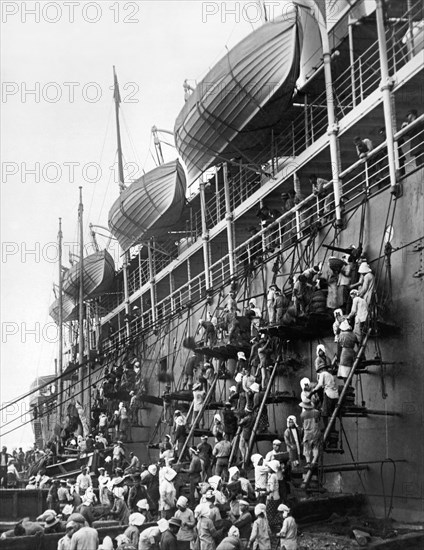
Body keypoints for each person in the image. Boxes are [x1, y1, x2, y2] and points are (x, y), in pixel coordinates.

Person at [310, 363, 339, 428]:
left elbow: (320, 384)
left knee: (324, 413)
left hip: (328, 394)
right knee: (332, 413)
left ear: (322, 369)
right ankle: (333, 428)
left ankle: (326, 427)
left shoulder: (323, 374)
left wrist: (314, 390)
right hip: (335, 395)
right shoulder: (331, 375)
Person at [299, 402, 321, 469]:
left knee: (307, 449)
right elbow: (318, 420)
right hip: (315, 432)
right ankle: (314, 462)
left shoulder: (302, 415)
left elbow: (303, 423)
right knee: (315, 447)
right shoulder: (316, 412)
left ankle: (308, 462)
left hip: (307, 433)